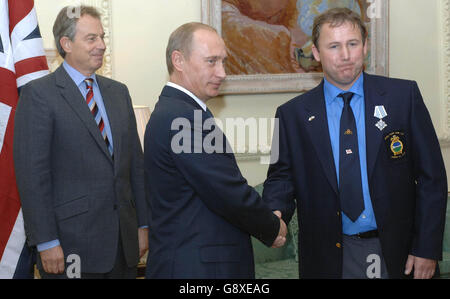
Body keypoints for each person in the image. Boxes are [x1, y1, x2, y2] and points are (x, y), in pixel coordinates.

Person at [263, 7, 447, 279]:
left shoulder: (403, 97)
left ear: (365, 46)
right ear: (316, 53)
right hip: (330, 255)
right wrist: (274, 213)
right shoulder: (291, 115)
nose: (345, 55)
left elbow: (432, 178)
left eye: (352, 44)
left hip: (398, 252)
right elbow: (281, 177)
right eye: (334, 46)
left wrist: (427, 248)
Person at [13, 6, 148, 279]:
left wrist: (143, 225)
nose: (101, 45)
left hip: (124, 246)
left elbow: (136, 167)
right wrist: (47, 241)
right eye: (91, 39)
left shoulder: (118, 93)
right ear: (66, 44)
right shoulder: (39, 96)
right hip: (70, 248)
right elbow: (32, 176)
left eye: (102, 37)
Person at [144, 22, 287, 279]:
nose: (221, 72)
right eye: (211, 62)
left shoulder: (180, 110)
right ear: (179, 60)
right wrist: (273, 226)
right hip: (197, 268)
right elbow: (227, 190)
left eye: (223, 62)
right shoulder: (184, 118)